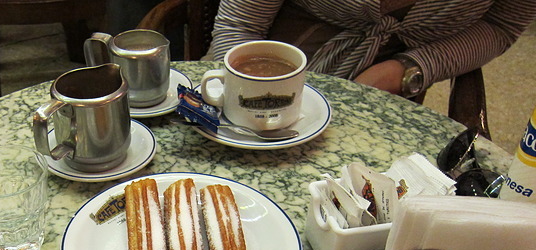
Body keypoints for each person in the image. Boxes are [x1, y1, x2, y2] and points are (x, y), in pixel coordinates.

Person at [208, 0, 536, 98]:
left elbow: (500, 26)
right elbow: (241, 25)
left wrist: (408, 70)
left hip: (398, 81)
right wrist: (239, 88)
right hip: (270, 61)